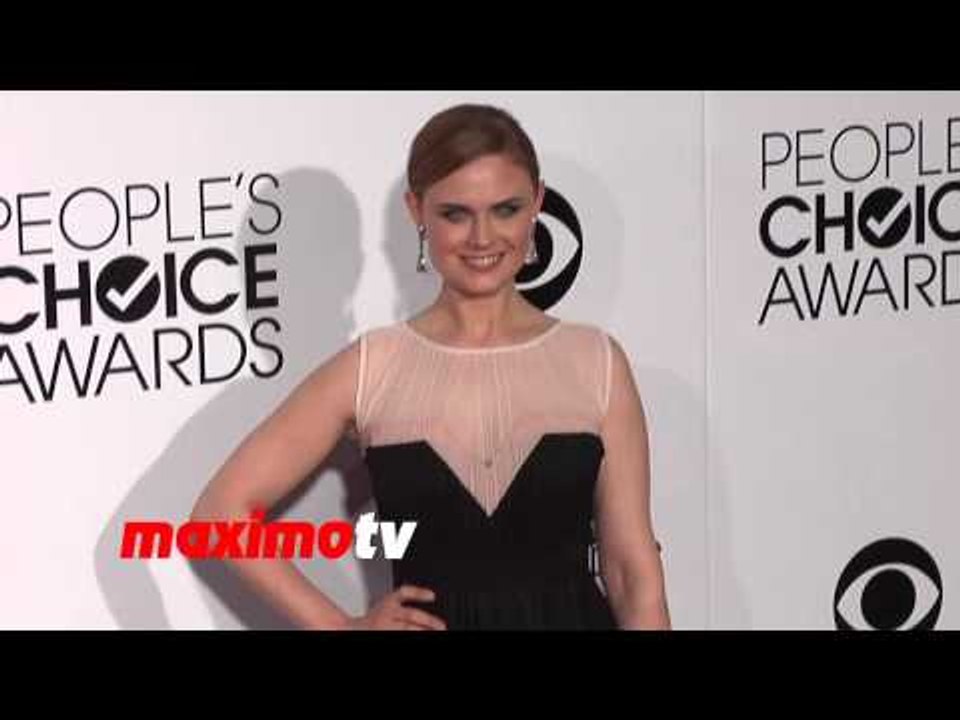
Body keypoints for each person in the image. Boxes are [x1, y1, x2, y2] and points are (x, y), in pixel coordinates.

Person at [190, 103, 670, 630]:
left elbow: (631, 574)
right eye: (455, 213)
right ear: (416, 210)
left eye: (505, 209)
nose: (483, 238)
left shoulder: (595, 362)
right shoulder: (372, 368)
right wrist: (341, 626)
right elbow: (220, 515)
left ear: (537, 203)